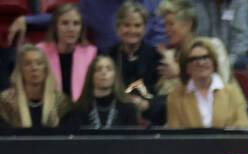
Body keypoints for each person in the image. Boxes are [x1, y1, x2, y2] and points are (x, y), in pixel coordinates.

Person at [6, 0, 165, 53]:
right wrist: (28, 20)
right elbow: (66, 17)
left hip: (148, 67)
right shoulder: (95, 4)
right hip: (110, 70)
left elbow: (163, 37)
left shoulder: (155, 3)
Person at [166, 37, 248, 127]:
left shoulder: (232, 92)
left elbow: (243, 126)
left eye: (205, 57)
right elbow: (175, 134)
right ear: (186, 67)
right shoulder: (175, 97)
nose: (201, 63)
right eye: (194, 59)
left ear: (213, 62)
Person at [108, 1, 162, 119]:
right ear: (118, 28)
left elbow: (162, 96)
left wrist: (147, 104)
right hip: (115, 116)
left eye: (137, 25)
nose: (132, 30)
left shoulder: (156, 56)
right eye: (127, 25)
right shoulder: (108, 56)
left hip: (150, 116)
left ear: (144, 28)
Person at [34, 3, 98, 101]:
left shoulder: (91, 53)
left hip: (81, 111)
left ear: (81, 28)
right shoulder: (40, 52)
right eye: (65, 23)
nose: (71, 29)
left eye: (76, 23)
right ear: (55, 27)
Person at [61, 54, 141, 129]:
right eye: (98, 69)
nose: (104, 72)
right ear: (91, 75)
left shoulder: (128, 109)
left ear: (115, 75)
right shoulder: (78, 110)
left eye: (109, 69)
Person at [0, 44, 71, 128]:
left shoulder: (61, 102)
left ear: (46, 68)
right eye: (27, 64)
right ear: (20, 70)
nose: (34, 68)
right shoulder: (5, 103)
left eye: (39, 63)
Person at [192, 0, 248, 68]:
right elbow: (195, 35)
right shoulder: (198, 3)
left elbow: (242, 40)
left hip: (234, 63)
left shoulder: (240, 3)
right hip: (202, 61)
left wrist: (224, 64)